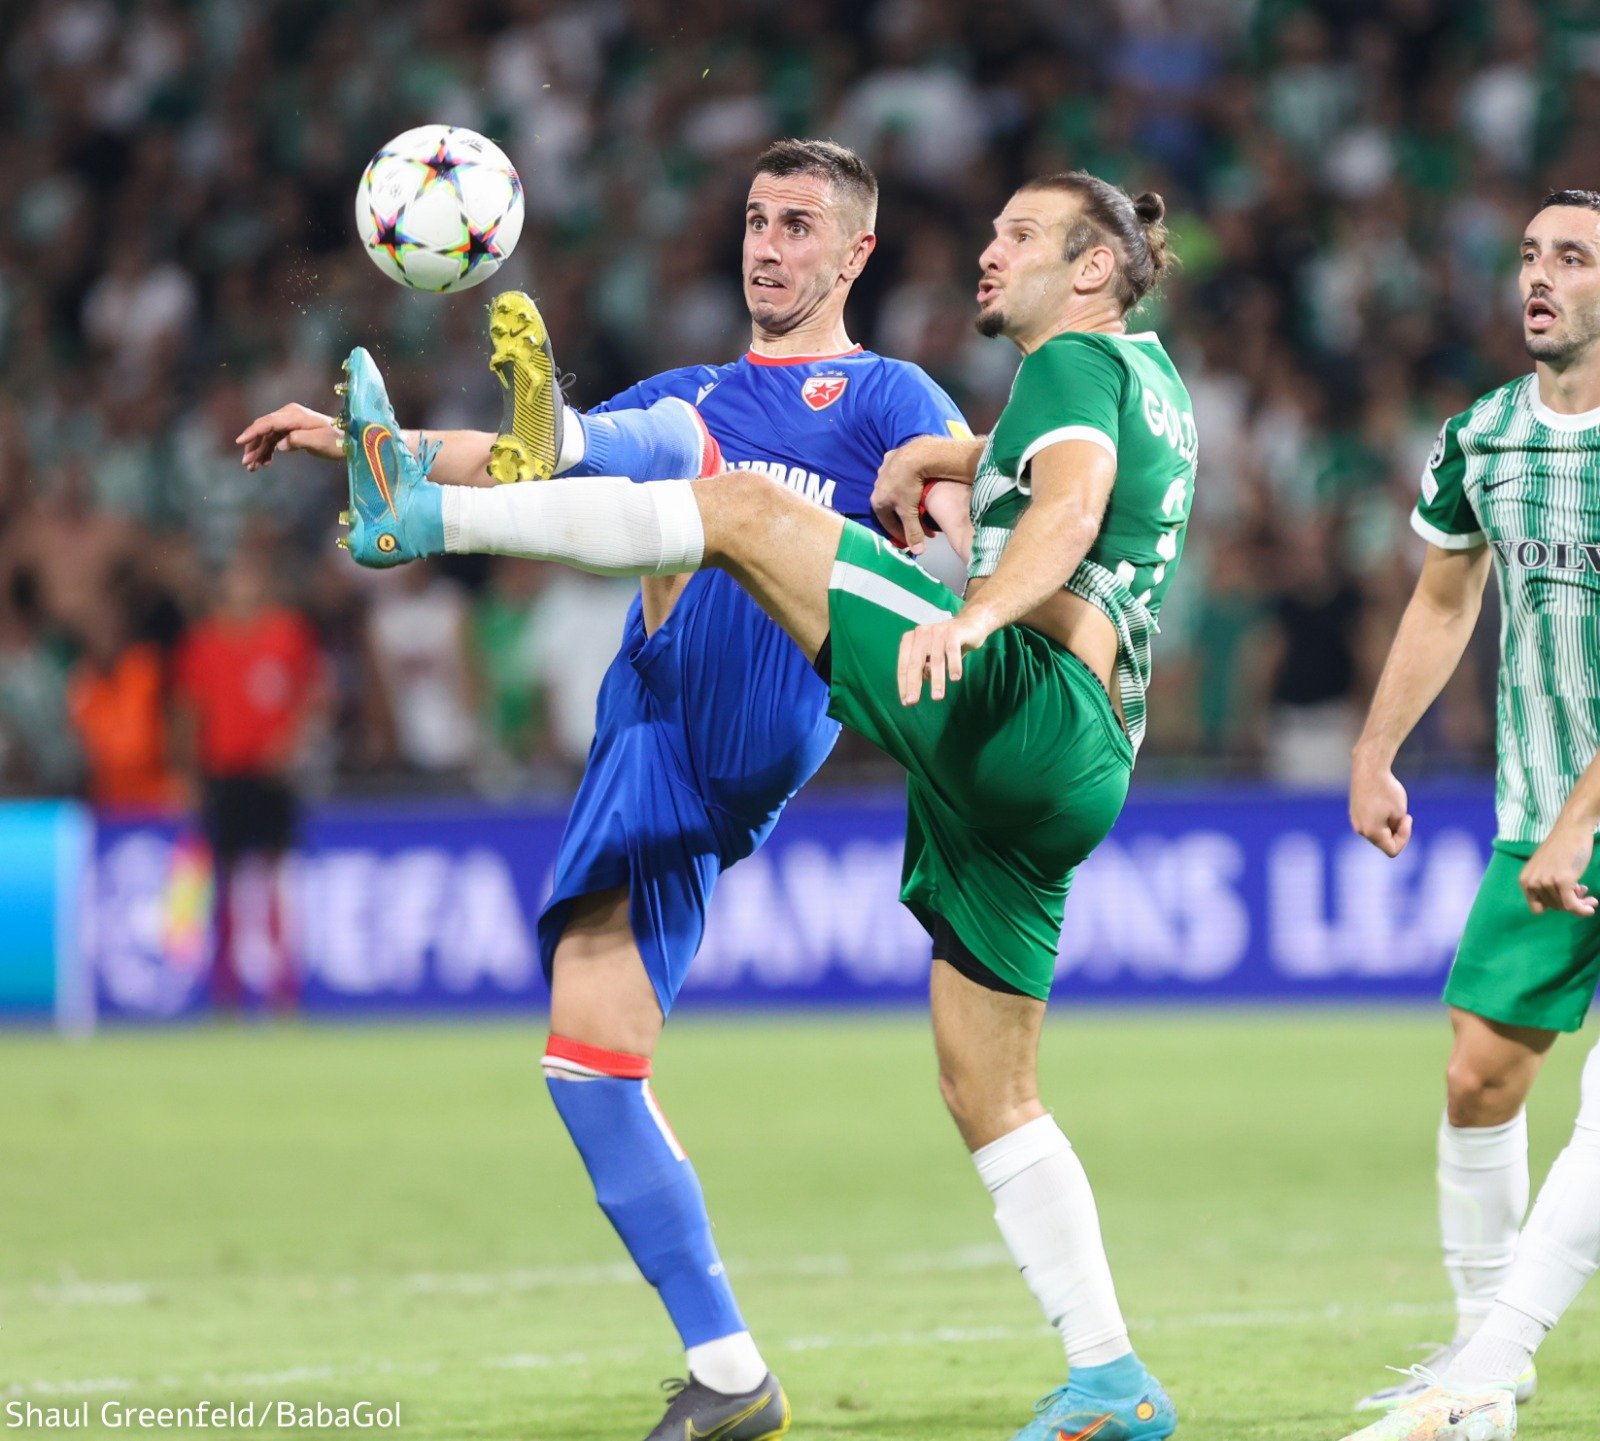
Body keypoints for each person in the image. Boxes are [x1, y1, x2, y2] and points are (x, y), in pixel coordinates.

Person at [323, 169, 1192, 1441]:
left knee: (731, 506)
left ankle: (434, 525)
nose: (990, 255)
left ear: (1095, 267)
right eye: (753, 220)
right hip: (1052, 766)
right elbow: (1040, 483)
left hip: (1002, 696)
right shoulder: (1138, 385)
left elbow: (1051, 513)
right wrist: (390, 444)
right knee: (984, 1092)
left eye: (1018, 235)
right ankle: (1107, 1375)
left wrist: (978, 604)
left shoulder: (1054, 368)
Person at [238, 139, 969, 1441]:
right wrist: (379, 436)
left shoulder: (885, 393)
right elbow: (591, 452)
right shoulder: (698, 395)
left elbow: (950, 502)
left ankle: (736, 1374)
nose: (768, 245)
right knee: (588, 1060)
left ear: (856, 253)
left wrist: (962, 533)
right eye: (755, 218)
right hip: (656, 737)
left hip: (735, 727)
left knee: (701, 502)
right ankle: (733, 1375)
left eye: (801, 225)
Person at [1343, 189, 1600, 1441]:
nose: (1537, 278)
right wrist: (1375, 747)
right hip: (1542, 813)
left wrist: (1578, 824)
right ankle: (1477, 1365)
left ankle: (1481, 1376)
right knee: (1478, 1073)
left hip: (1579, 821)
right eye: (1529, 256)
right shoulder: (1485, 436)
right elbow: (1445, 600)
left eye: (1572, 259)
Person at [172, 550, 325, 1009]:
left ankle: (283, 987)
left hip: (272, 775)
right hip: (224, 774)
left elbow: (315, 697)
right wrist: (186, 772)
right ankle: (226, 988)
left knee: (279, 877)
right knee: (224, 880)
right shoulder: (202, 644)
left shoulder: (288, 635)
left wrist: (295, 744)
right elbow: (187, 713)